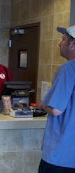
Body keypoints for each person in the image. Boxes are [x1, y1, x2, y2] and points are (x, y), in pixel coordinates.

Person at [38, 25, 75, 172]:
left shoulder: (68, 69)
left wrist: (43, 105)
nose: (60, 43)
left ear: (73, 44)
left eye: (63, 39)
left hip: (60, 155)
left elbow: (56, 109)